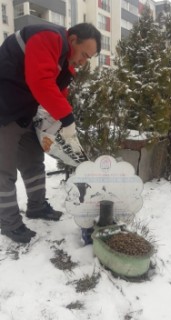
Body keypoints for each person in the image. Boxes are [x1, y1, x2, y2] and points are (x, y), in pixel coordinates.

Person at [0, 23, 101, 243]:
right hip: (3, 108)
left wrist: (59, 123)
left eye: (88, 59)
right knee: (4, 171)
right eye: (84, 54)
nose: (83, 62)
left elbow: (57, 92)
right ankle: (9, 223)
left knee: (33, 161)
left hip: (24, 111)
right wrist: (66, 116)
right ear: (72, 40)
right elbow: (40, 80)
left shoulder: (65, 62)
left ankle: (37, 207)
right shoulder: (48, 38)